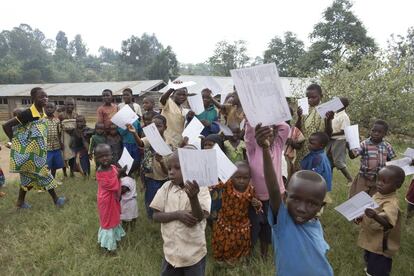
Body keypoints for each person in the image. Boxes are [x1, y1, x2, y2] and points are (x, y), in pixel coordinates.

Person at [256, 123, 333, 276]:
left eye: (311, 204)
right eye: (296, 199)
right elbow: (273, 189)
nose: (302, 208)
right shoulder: (283, 222)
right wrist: (265, 149)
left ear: (320, 207)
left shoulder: (315, 224)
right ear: (285, 198)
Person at [2, 87, 66, 208]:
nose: (45, 99)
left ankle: (20, 202)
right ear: (33, 98)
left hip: (38, 153)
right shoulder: (28, 113)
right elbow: (6, 126)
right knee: (45, 174)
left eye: (46, 96)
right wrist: (15, 143)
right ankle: (56, 200)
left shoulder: (42, 113)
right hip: (31, 155)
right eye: (41, 96)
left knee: (27, 179)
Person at [150, 150, 211, 276]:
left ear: (191, 169)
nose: (171, 172)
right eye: (169, 168)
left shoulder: (201, 189)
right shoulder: (166, 188)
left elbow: (199, 217)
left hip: (193, 255)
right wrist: (177, 214)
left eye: (177, 168)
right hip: (171, 255)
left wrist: (193, 197)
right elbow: (155, 215)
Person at [244, 119, 289, 258]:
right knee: (254, 225)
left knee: (270, 225)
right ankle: (249, 252)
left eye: (269, 133)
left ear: (275, 133)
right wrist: (253, 117)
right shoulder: (252, 148)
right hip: (256, 197)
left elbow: (285, 127)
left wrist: (271, 117)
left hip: (275, 197)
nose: (266, 137)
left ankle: (264, 253)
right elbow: (250, 131)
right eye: (262, 133)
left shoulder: (278, 145)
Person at [357, 165, 405, 276]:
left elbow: (388, 224)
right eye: (378, 179)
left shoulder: (391, 203)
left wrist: (375, 216)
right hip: (372, 236)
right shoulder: (378, 194)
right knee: (369, 255)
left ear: (397, 185)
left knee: (379, 263)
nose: (379, 183)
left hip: (381, 243)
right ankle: (370, 269)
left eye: (384, 181)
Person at [211, 161, 262, 263]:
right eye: (237, 177)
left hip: (241, 225)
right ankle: (221, 261)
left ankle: (238, 261)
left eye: (245, 178)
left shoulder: (251, 190)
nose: (241, 181)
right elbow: (214, 185)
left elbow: (258, 206)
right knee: (222, 242)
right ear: (231, 177)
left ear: (250, 178)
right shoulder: (227, 185)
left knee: (240, 243)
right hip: (225, 222)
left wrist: (257, 204)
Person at [127, 115, 171, 219]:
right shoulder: (150, 139)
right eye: (153, 126)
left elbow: (169, 167)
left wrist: (161, 161)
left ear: (165, 127)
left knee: (164, 198)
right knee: (151, 197)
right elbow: (141, 143)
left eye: (159, 126)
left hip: (165, 177)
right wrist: (134, 133)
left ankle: (163, 214)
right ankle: (151, 217)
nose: (156, 128)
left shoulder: (169, 143)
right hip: (151, 176)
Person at [349, 120, 396, 197]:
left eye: (379, 132)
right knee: (359, 198)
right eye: (373, 131)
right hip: (364, 177)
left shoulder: (387, 146)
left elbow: (389, 161)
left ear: (385, 134)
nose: (376, 133)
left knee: (374, 199)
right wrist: (350, 147)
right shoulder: (364, 144)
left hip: (379, 179)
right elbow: (353, 156)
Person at [294, 84, 334, 172]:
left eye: (313, 97)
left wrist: (329, 120)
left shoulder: (326, 110)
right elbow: (297, 130)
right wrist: (299, 117)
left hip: (316, 150)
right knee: (299, 173)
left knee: (313, 176)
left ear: (321, 96)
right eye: (307, 98)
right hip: (302, 149)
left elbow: (328, 135)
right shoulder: (303, 109)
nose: (310, 100)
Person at [95, 143, 126, 252]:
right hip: (106, 200)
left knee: (114, 217)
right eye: (101, 156)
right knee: (107, 221)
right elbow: (111, 184)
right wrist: (119, 175)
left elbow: (117, 174)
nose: (105, 158)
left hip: (113, 198)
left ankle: (115, 237)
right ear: (97, 158)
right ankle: (107, 245)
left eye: (107, 155)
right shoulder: (100, 172)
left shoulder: (113, 167)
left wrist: (121, 171)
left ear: (111, 155)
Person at [326, 97, 353, 184]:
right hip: (331, 140)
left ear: (343, 106)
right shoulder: (334, 114)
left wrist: (330, 135)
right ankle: (328, 180)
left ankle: (350, 179)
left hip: (339, 140)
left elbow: (344, 131)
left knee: (338, 161)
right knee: (328, 160)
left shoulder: (344, 117)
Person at [45, 102, 65, 178]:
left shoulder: (57, 120)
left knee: (54, 165)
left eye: (51, 107)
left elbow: (59, 133)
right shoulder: (42, 120)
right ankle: (46, 180)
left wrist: (61, 143)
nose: (49, 109)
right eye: (47, 107)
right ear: (44, 109)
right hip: (46, 147)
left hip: (56, 146)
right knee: (47, 165)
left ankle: (53, 178)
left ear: (55, 109)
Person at [59, 97, 77, 177]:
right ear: (64, 105)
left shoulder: (76, 115)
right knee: (64, 156)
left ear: (74, 105)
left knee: (73, 155)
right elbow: (58, 128)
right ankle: (65, 173)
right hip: (64, 138)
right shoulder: (61, 115)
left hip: (73, 137)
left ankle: (72, 172)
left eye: (72, 104)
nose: (70, 106)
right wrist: (60, 141)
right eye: (68, 104)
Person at [120, 160, 139, 230]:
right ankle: (133, 231)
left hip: (127, 203)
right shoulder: (132, 178)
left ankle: (125, 231)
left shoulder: (126, 180)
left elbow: (123, 190)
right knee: (133, 218)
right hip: (133, 202)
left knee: (125, 220)